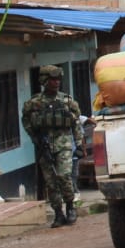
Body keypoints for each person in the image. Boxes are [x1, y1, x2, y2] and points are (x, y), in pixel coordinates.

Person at [21, 64, 84, 227]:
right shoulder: (34, 103)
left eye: (58, 80)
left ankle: (70, 206)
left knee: (64, 176)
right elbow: (26, 121)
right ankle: (58, 213)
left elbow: (76, 123)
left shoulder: (67, 101)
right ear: (44, 81)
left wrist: (79, 144)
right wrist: (35, 138)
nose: (56, 83)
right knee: (51, 182)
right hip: (44, 147)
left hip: (64, 145)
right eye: (52, 80)